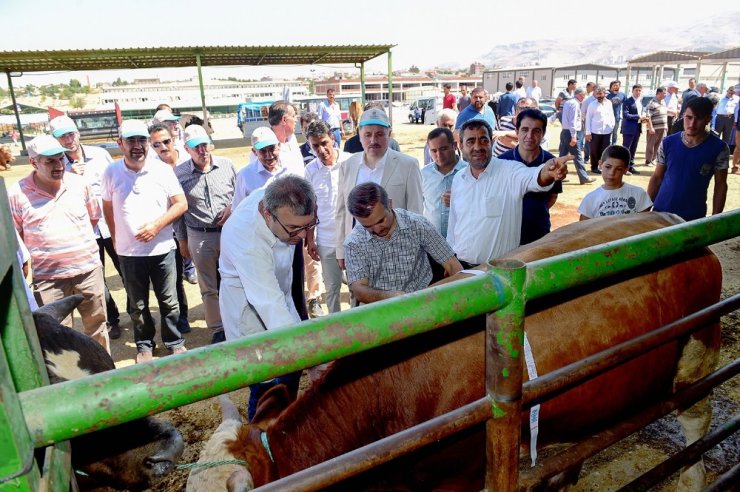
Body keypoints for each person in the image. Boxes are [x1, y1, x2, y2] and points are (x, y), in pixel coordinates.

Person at [219, 175, 318, 420]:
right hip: (249, 306)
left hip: (278, 291)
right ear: (267, 214)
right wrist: (315, 356)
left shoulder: (283, 202)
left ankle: (286, 424)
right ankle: (262, 439)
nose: (304, 235)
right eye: (295, 229)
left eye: (309, 225)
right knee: (269, 379)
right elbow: (268, 304)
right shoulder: (247, 239)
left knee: (290, 371)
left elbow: (278, 299)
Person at [9, 135, 109, 352]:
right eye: (50, 161)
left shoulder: (80, 184)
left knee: (97, 326)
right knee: (56, 335)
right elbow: (16, 236)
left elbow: (93, 218)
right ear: (34, 163)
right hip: (49, 280)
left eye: (60, 159)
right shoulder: (17, 194)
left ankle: (105, 374)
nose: (59, 166)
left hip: (88, 272)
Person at [101, 120, 188, 363]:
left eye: (141, 140)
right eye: (131, 141)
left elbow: (181, 203)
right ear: (120, 144)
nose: (137, 146)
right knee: (138, 306)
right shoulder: (111, 172)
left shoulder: (161, 170)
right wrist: (116, 239)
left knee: (169, 302)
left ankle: (174, 341)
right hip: (130, 253)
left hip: (162, 249)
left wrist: (156, 226)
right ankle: (144, 345)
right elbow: (107, 206)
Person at [447, 119, 570, 266]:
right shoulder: (459, 178)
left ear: (491, 143)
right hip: (461, 270)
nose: (477, 147)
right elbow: (454, 224)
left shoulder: (510, 171)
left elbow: (533, 177)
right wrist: (451, 262)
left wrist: (547, 173)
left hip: (498, 271)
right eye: (470, 141)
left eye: (484, 140)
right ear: (461, 146)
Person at [49, 115, 122, 339]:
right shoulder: (55, 164)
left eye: (71, 134)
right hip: (83, 230)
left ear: (77, 133)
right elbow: (53, 198)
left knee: (126, 270)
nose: (68, 140)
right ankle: (112, 319)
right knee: (96, 277)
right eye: (62, 137)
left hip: (111, 223)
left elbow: (117, 183)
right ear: (55, 140)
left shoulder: (100, 155)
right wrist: (68, 177)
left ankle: (137, 314)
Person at [344, 182, 462, 304]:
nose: (377, 229)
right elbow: (359, 289)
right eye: (368, 226)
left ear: (389, 204)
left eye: (381, 221)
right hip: (377, 311)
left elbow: (453, 266)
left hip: (422, 305)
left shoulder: (417, 224)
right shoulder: (354, 243)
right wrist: (390, 297)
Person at [335, 107, 423, 268]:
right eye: (368, 134)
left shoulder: (408, 165)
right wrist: (341, 250)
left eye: (380, 134)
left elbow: (415, 212)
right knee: (360, 292)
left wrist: (410, 251)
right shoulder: (347, 166)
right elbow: (341, 212)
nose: (373, 140)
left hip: (395, 252)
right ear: (359, 135)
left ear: (389, 134)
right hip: (357, 250)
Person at [174, 124, 236, 344]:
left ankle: (238, 321)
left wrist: (231, 208)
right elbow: (178, 210)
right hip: (199, 235)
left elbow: (239, 194)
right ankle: (218, 329)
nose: (202, 150)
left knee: (235, 279)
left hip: (229, 232)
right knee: (208, 286)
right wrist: (182, 240)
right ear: (187, 149)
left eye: (204, 145)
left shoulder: (228, 166)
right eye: (196, 147)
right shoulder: (179, 174)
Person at [648, 97, 729, 221]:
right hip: (661, 211)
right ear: (683, 116)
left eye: (699, 118)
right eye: (689, 117)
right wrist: (646, 207)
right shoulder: (668, 142)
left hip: (693, 216)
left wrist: (715, 217)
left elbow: (720, 184)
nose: (692, 124)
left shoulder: (719, 148)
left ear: (708, 119)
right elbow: (657, 177)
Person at [149, 124, 193, 335]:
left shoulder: (190, 157)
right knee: (174, 280)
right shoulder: (152, 168)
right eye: (156, 144)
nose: (162, 147)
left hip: (197, 228)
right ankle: (181, 318)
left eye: (165, 141)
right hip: (171, 232)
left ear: (173, 139)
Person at [304, 120, 351, 314]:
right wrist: (310, 239)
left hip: (352, 238)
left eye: (324, 143)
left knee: (357, 286)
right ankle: (337, 329)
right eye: (315, 146)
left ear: (332, 138)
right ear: (309, 146)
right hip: (326, 240)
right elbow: (310, 208)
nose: (321, 149)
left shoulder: (351, 162)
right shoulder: (310, 171)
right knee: (332, 290)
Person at [499, 108, 565, 245]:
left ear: (543, 134)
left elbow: (552, 197)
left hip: (539, 232)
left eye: (536, 130)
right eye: (524, 130)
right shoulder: (500, 162)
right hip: (505, 234)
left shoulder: (552, 162)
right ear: (516, 132)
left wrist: (535, 209)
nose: (530, 135)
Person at [233, 127, 304, 210]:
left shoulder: (292, 167)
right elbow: (237, 209)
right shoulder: (244, 175)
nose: (269, 155)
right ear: (254, 152)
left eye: (271, 149)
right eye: (263, 151)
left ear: (279, 146)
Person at [578, 145, 652, 220]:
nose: (611, 173)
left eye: (618, 169)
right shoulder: (590, 199)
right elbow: (583, 228)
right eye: (608, 167)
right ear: (600, 164)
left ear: (626, 169)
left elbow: (645, 223)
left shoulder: (638, 194)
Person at [422, 127, 466, 238]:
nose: (439, 155)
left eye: (443, 149)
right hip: (432, 243)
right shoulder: (423, 174)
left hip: (461, 240)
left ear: (454, 146)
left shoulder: (469, 172)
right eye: (434, 151)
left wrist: (459, 201)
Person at [559, 87, 595, 185]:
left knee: (562, 156)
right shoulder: (574, 104)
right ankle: (583, 177)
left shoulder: (568, 102)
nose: (584, 97)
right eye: (583, 95)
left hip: (565, 132)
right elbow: (573, 121)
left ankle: (558, 177)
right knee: (577, 156)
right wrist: (573, 136)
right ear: (579, 95)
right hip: (571, 133)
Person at [585, 85, 616, 175]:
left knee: (605, 150)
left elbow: (611, 115)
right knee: (594, 150)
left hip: (606, 131)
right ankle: (594, 166)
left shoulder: (609, 103)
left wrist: (612, 126)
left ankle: (602, 166)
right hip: (595, 131)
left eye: (600, 94)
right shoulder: (592, 105)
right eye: (597, 94)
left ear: (604, 94)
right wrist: (588, 132)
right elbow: (588, 119)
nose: (598, 96)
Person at [620, 84, 644, 175]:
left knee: (633, 148)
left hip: (637, 128)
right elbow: (626, 115)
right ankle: (624, 168)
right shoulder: (627, 102)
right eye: (636, 90)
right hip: (628, 129)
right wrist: (638, 116)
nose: (638, 92)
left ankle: (631, 166)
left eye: (640, 91)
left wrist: (643, 119)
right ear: (632, 91)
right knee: (626, 149)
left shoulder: (640, 102)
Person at [645, 87, 669, 167]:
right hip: (654, 128)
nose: (665, 95)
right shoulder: (652, 103)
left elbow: (665, 114)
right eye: (664, 93)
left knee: (658, 145)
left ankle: (653, 159)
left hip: (662, 127)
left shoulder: (663, 102)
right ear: (658, 93)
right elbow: (648, 116)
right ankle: (648, 160)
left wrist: (666, 126)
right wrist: (651, 127)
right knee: (651, 144)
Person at [607, 80, 626, 145]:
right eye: (614, 85)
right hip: (608, 117)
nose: (615, 87)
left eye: (617, 85)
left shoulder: (622, 95)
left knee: (615, 133)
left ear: (619, 86)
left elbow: (625, 106)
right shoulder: (608, 95)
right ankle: (607, 145)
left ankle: (614, 145)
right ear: (611, 87)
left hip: (617, 117)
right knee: (608, 132)